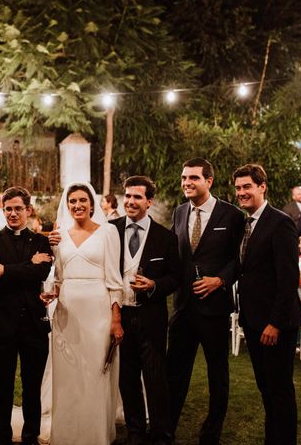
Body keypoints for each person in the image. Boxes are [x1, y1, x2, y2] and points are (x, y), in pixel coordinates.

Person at [167, 158, 244, 445]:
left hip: (214, 309)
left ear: (208, 181)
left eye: (193, 178)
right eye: (184, 178)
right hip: (183, 307)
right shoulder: (178, 212)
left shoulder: (232, 215)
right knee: (174, 372)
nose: (187, 183)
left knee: (217, 374)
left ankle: (211, 432)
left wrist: (221, 280)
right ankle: (167, 429)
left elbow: (240, 259)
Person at [233, 164, 301, 445]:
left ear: (262, 186)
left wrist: (274, 323)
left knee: (280, 390)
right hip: (252, 321)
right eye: (238, 188)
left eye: (247, 187)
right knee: (266, 388)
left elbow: (288, 279)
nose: (242, 193)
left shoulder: (281, 222)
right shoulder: (245, 223)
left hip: (276, 324)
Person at [0, 186, 53, 445]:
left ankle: (31, 436)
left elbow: (40, 274)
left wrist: (7, 270)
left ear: (28, 210)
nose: (12, 213)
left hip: (35, 324)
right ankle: (2, 437)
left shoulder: (41, 242)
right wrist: (27, 266)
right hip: (3, 325)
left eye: (18, 208)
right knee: (3, 386)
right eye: (8, 208)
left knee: (32, 387)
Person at [50, 182, 123, 445]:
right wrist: (51, 292)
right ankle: (67, 432)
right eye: (72, 201)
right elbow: (57, 277)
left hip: (98, 311)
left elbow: (114, 278)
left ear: (92, 204)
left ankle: (95, 433)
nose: (78, 205)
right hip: (66, 311)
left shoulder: (108, 232)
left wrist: (116, 318)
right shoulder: (59, 235)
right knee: (68, 374)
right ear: (67, 205)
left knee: (95, 372)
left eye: (83, 200)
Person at [110, 176, 180, 445]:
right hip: (120, 315)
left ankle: (161, 433)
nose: (130, 201)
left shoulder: (165, 237)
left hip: (151, 315)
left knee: (155, 377)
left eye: (137, 197)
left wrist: (153, 285)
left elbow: (175, 277)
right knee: (126, 377)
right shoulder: (110, 231)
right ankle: (136, 431)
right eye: (127, 196)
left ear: (149, 201)